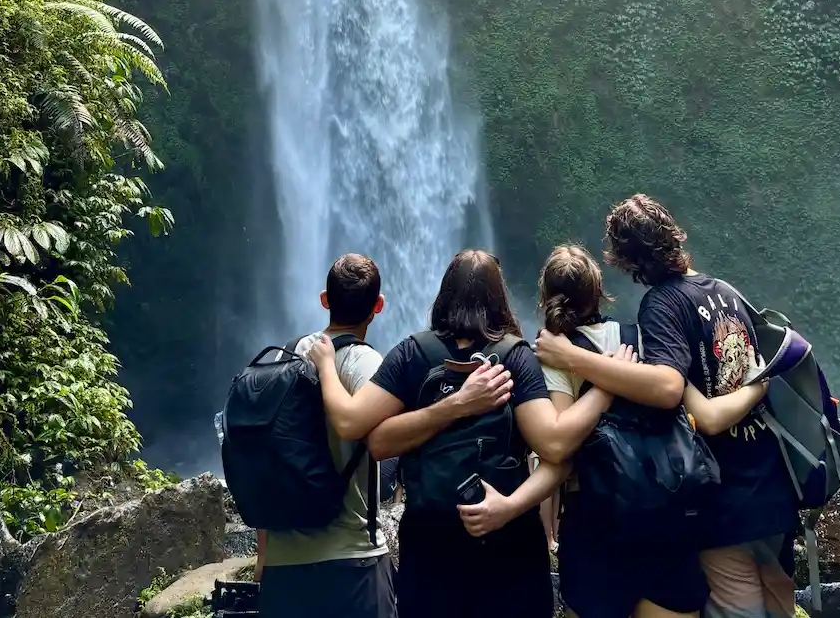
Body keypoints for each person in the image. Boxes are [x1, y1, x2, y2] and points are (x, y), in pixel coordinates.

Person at [309, 250, 611, 618]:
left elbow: (375, 440)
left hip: (430, 550)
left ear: (443, 294)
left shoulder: (412, 354)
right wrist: (605, 388)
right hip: (509, 551)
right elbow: (555, 446)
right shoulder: (514, 358)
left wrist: (326, 364)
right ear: (499, 298)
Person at [536, 198, 797, 618]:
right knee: (778, 603)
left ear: (625, 260)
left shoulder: (662, 306)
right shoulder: (728, 293)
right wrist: (760, 386)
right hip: (773, 493)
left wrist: (574, 360)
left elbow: (671, 391)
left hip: (723, 501)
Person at [538, 242, 710, 618]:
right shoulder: (641, 336)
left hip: (594, 518)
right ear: (599, 292)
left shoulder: (555, 357)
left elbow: (560, 449)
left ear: (547, 297)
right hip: (662, 505)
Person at [255, 253, 396, 618]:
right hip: (351, 561)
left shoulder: (280, 360)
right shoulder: (365, 363)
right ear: (377, 306)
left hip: (284, 567)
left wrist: (263, 554)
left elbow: (263, 457)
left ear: (324, 300)